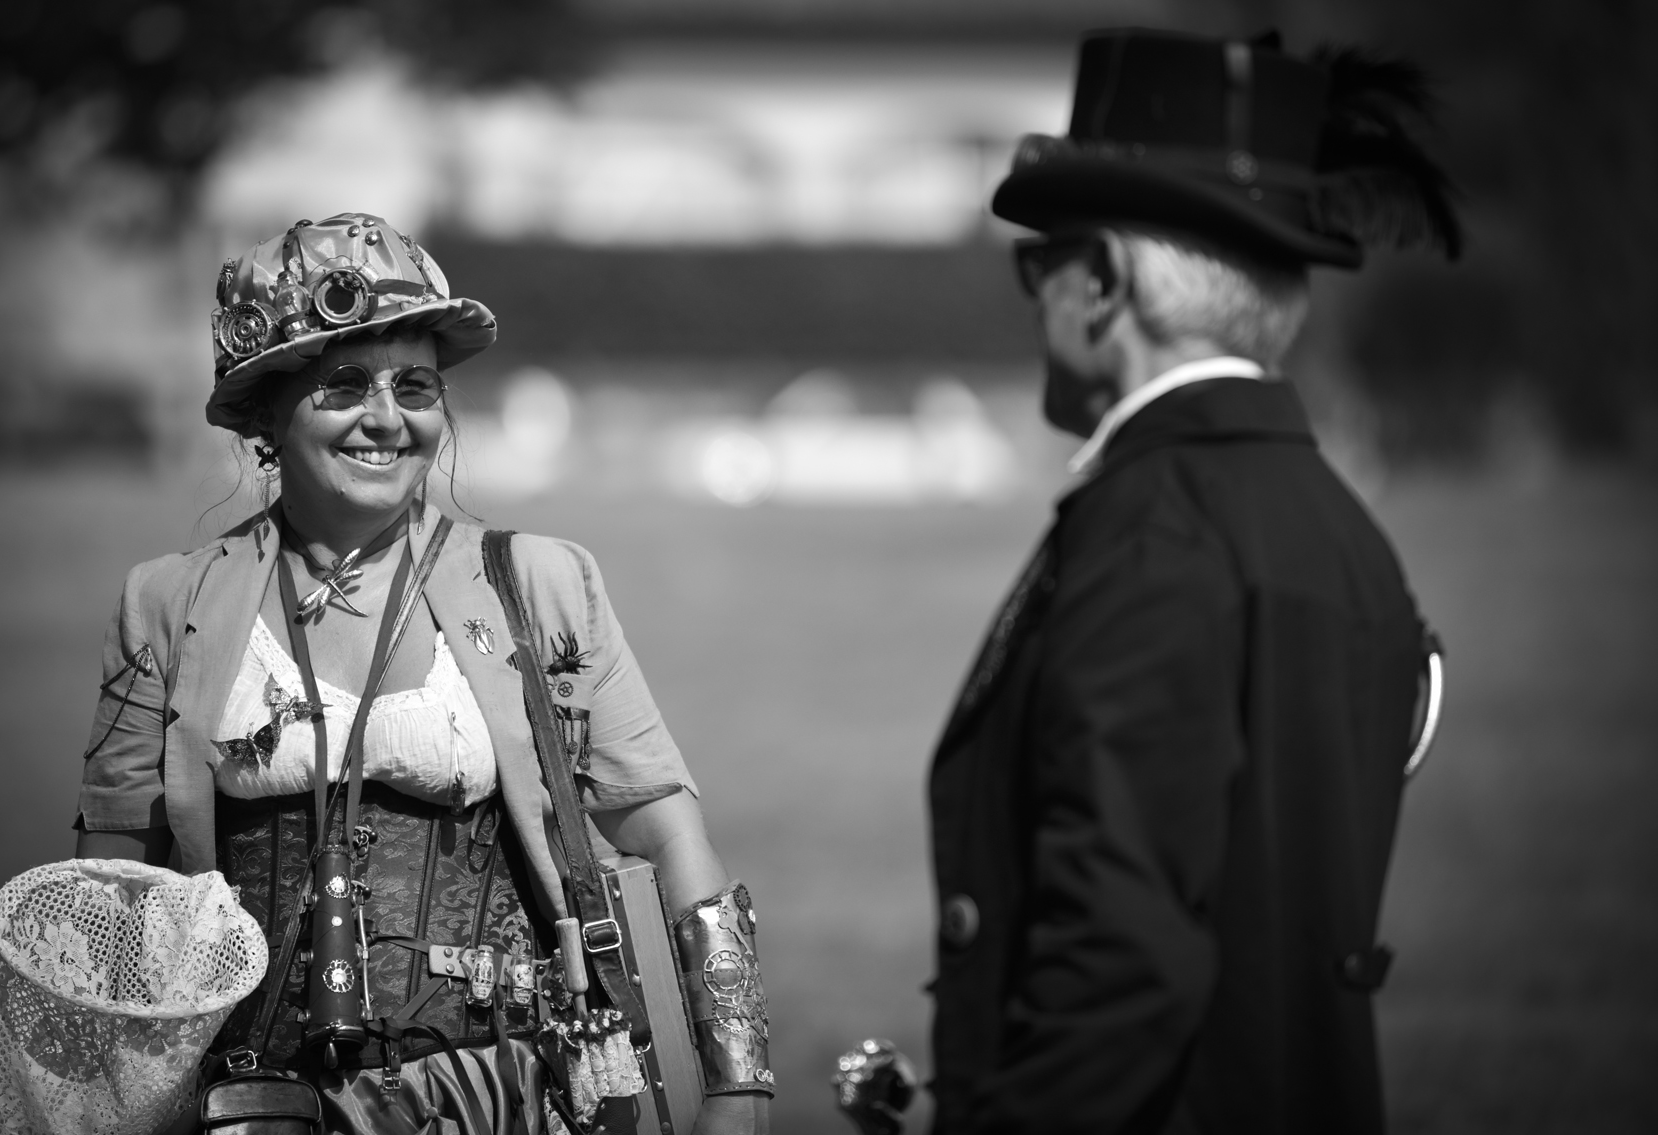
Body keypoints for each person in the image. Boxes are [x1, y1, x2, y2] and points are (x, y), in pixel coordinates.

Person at [74, 214, 771, 1135]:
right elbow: (109, 898)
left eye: (416, 385)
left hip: (515, 1103)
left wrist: (739, 1085)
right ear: (266, 413)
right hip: (250, 1111)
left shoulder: (542, 583)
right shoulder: (164, 604)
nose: (387, 418)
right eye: (345, 384)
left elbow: (671, 833)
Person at [927, 29, 1459, 1134]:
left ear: (1104, 279)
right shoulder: (1340, 530)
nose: (1035, 298)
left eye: (1042, 260)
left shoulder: (1154, 534)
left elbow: (1119, 965)